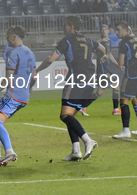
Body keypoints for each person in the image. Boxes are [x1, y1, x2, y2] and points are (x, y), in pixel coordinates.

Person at [35, 16, 105, 161]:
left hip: (76, 80)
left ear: (71, 27)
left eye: (65, 25)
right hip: (90, 81)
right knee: (70, 116)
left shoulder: (67, 40)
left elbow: (50, 59)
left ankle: (87, 140)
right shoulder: (88, 40)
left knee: (65, 115)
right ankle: (76, 151)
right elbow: (103, 49)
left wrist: (37, 70)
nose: (63, 27)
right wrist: (102, 58)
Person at [0, 26, 36, 166]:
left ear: (14, 37)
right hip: (23, 95)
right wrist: (28, 89)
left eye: (8, 36)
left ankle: (10, 152)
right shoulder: (30, 52)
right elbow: (34, 76)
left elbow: (7, 79)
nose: (6, 39)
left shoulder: (14, 53)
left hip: (13, 94)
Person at [112, 22, 137, 139]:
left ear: (126, 30)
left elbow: (121, 62)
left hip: (130, 75)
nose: (116, 33)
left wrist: (121, 64)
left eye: (118, 30)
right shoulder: (135, 39)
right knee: (135, 101)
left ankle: (126, 130)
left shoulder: (124, 43)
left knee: (123, 100)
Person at [95, 24, 122, 115]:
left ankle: (83, 106)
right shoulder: (98, 42)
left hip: (107, 68)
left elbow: (109, 55)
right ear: (100, 31)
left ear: (108, 31)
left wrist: (117, 64)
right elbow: (96, 55)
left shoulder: (109, 41)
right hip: (102, 69)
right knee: (116, 86)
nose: (104, 31)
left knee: (100, 92)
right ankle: (115, 109)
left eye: (105, 29)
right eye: (102, 30)